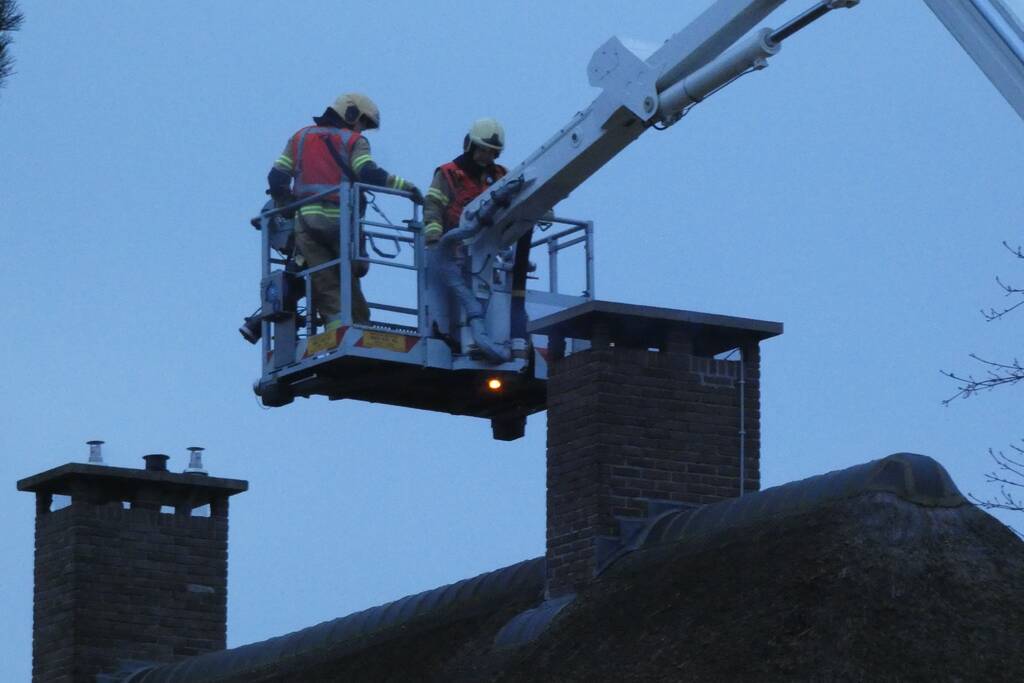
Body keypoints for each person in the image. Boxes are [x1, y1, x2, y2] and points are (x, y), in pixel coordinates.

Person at [267, 93, 422, 326]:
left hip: (306, 224)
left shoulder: (301, 137)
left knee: (324, 281)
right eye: (363, 123)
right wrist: (406, 187)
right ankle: (358, 327)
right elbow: (367, 173)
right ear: (351, 114)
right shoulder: (353, 141)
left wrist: (285, 206)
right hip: (341, 222)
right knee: (350, 275)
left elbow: (276, 176)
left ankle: (337, 331)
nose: (362, 130)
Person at [423, 118, 532, 337]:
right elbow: (433, 205)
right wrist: (434, 236)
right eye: (484, 151)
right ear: (471, 146)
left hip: (490, 252)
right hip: (455, 251)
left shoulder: (501, 175)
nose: (488, 157)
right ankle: (453, 335)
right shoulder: (448, 174)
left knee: (497, 299)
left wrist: (542, 207)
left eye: (493, 153)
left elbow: (522, 196)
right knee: (459, 301)